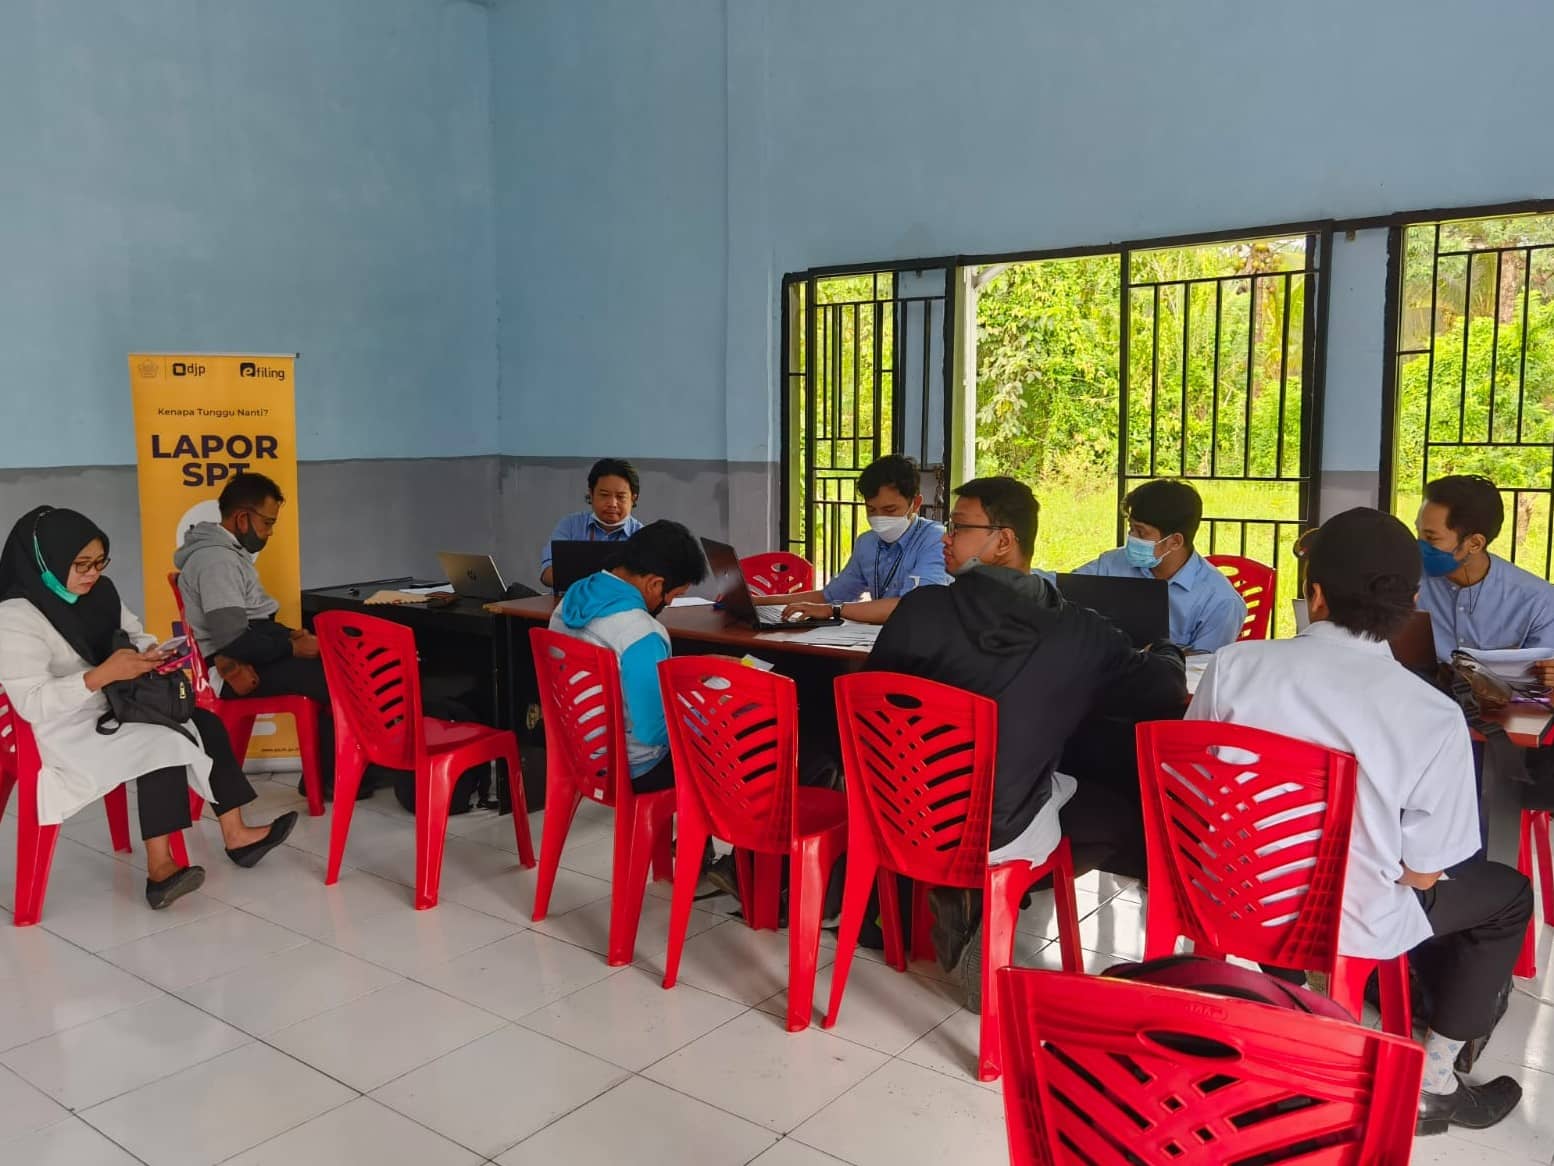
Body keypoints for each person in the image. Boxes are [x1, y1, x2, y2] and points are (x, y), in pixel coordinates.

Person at [1186, 506, 1532, 1136]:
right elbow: (1424, 872)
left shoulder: (1235, 666)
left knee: (1295, 877)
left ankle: (1289, 997)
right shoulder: (1430, 714)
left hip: (1232, 893)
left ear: (1314, 595)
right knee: (1507, 897)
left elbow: (1195, 783)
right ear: (1410, 605)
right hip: (1347, 919)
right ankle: (1433, 1083)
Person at [865, 476, 1188, 1006]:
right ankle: (993, 896)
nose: (945, 537)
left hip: (899, 809)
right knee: (1122, 811)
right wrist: (1167, 651)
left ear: (1004, 541)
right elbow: (1163, 691)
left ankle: (953, 894)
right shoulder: (1077, 632)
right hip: (992, 827)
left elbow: (878, 693)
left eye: (959, 527)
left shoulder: (920, 609)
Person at [0, 507, 296, 910]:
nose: (92, 574)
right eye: (81, 564)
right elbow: (34, 703)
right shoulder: (15, 617)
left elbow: (134, 633)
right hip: (59, 728)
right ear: (46, 559)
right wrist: (100, 675)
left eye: (99, 562)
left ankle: (237, 836)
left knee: (204, 722)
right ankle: (160, 870)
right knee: (160, 742)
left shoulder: (99, 593)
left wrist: (150, 653)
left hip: (114, 700)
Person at [548, 519, 708, 791]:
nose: (670, 603)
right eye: (675, 595)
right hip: (631, 769)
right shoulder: (642, 632)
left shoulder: (571, 601)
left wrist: (688, 670)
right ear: (655, 584)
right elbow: (652, 732)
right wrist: (707, 709)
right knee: (725, 733)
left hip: (575, 752)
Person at [767, 454, 951, 626]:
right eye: (871, 510)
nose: (879, 517)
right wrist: (759, 602)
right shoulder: (867, 543)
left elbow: (914, 606)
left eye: (890, 510)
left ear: (915, 504)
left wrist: (834, 610)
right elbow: (830, 596)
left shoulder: (935, 539)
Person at [1070, 478, 1245, 653]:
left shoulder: (1221, 602)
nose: (1131, 538)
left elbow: (1205, 663)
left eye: (1141, 532)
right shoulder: (1113, 563)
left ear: (1175, 541)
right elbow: (1066, 589)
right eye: (1131, 528)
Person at [1415, 473, 1554, 671]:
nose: (1419, 544)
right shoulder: (1406, 581)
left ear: (1475, 543)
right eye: (1418, 532)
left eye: (1431, 538)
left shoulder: (1537, 601)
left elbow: (1541, 678)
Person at [538, 458, 645, 590]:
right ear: (591, 494)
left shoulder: (643, 536)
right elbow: (547, 574)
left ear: (633, 498)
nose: (612, 504)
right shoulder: (570, 525)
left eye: (620, 496)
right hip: (573, 601)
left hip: (621, 603)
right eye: (604, 495)